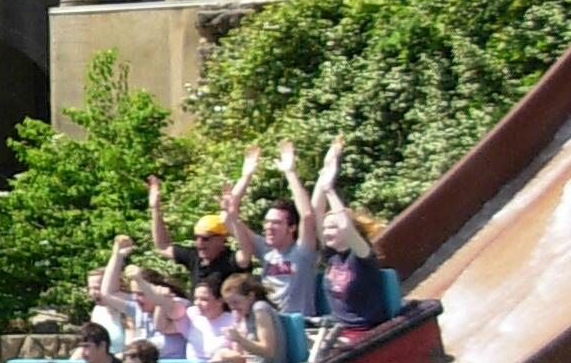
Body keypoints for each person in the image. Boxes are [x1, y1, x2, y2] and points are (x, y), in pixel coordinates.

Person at [226, 142, 324, 319]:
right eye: (267, 222)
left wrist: (290, 172)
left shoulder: (302, 252)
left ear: (292, 227)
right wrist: (246, 176)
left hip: (299, 325)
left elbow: (308, 216)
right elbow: (229, 218)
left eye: (276, 223)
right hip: (271, 323)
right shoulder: (265, 250)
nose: (268, 227)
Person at [308, 138, 393, 339]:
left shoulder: (361, 254)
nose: (327, 232)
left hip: (364, 331)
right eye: (326, 228)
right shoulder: (331, 254)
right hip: (339, 330)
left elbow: (345, 224)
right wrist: (325, 169)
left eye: (332, 228)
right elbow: (315, 209)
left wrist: (330, 190)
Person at [152, 173, 244, 287]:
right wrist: (155, 209)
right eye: (196, 237)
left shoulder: (231, 261)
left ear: (221, 238)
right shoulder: (194, 256)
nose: (199, 243)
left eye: (205, 238)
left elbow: (246, 253)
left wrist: (232, 215)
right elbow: (162, 246)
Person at [215, 271, 287, 363]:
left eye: (236, 302)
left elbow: (268, 351)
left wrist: (239, 339)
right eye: (229, 304)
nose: (233, 308)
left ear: (250, 296)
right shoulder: (246, 315)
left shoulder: (260, 308)